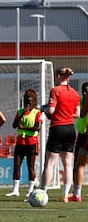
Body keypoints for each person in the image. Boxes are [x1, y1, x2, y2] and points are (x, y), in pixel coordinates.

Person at [40, 67, 80, 202]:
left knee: (50, 163)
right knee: (68, 163)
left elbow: (51, 110)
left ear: (58, 76)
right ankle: (65, 194)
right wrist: (66, 113)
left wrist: (44, 109)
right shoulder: (74, 93)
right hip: (70, 128)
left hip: (58, 128)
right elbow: (78, 114)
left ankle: (43, 193)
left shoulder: (55, 90)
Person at [5, 89, 42, 197]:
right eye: (26, 101)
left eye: (30, 102)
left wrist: (23, 127)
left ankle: (30, 190)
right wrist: (22, 116)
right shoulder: (20, 112)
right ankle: (15, 190)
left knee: (31, 166)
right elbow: (14, 125)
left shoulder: (37, 113)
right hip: (21, 141)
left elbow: (37, 128)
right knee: (16, 165)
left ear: (33, 102)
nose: (28, 104)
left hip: (31, 142)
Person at [72, 82, 88, 200]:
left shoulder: (86, 100)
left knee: (80, 164)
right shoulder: (80, 101)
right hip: (81, 135)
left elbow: (82, 114)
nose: (85, 93)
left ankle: (77, 195)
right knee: (77, 163)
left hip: (87, 135)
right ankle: (75, 192)